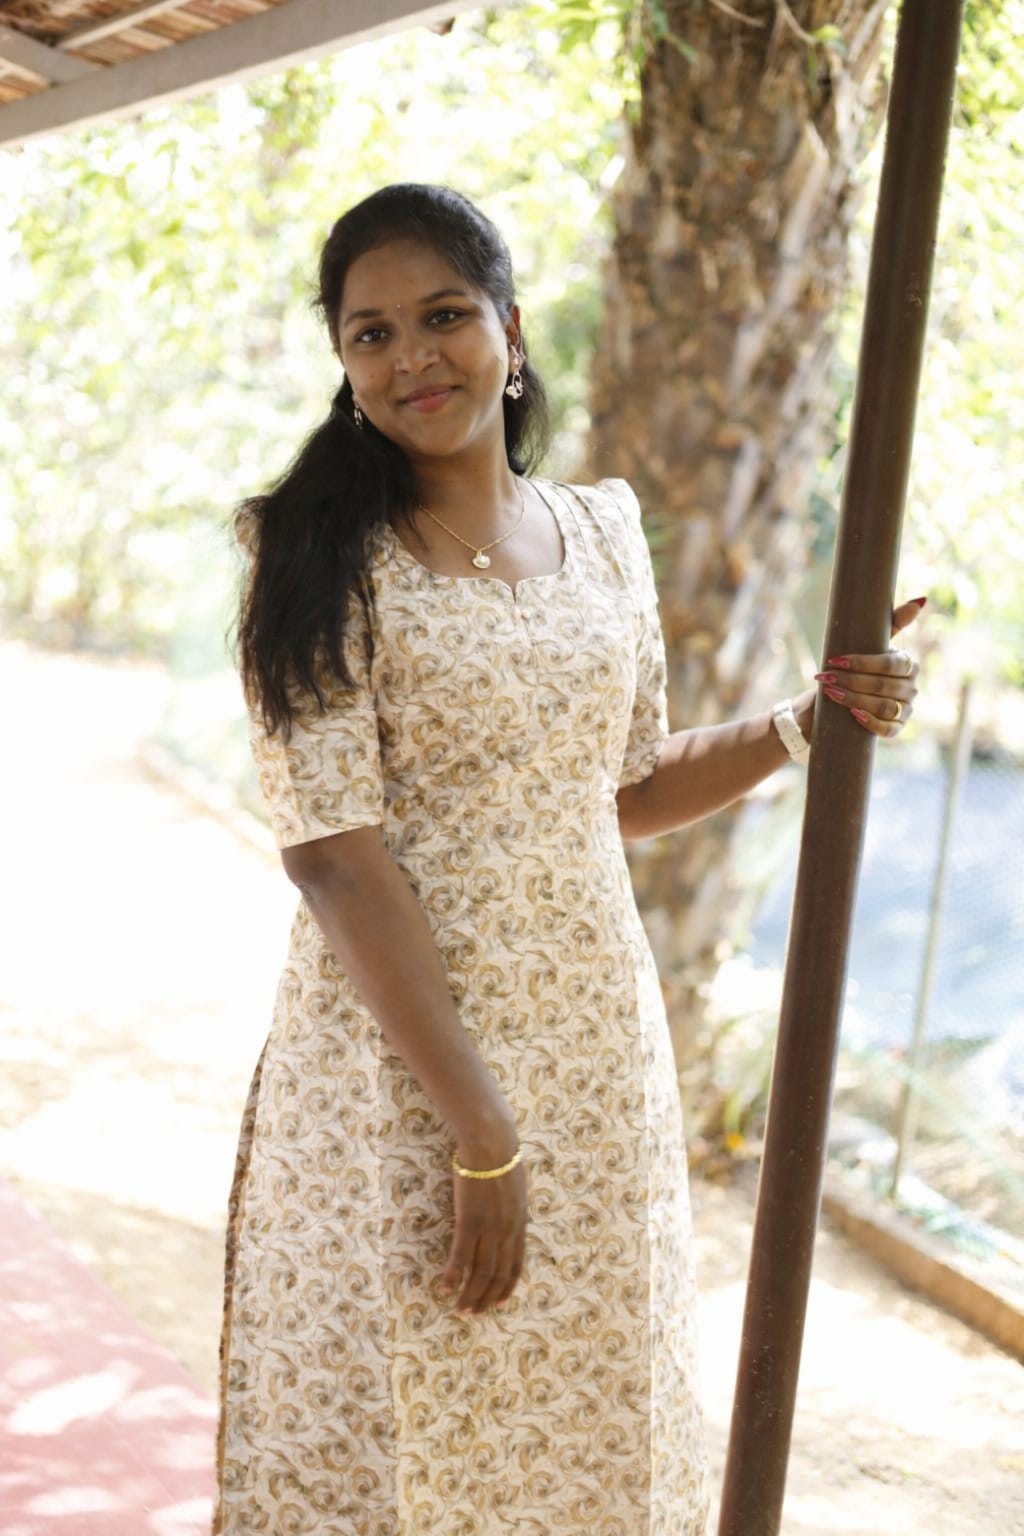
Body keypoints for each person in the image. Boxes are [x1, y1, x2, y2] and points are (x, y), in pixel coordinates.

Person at [216, 183, 921, 1536]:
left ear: (511, 328)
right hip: (402, 1069)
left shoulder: (602, 533)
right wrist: (481, 1128)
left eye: (443, 316)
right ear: (344, 363)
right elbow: (334, 857)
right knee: (411, 1408)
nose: (412, 357)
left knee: (587, 1403)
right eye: (371, 335)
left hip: (593, 1050)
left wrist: (804, 723)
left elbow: (624, 787)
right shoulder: (313, 556)